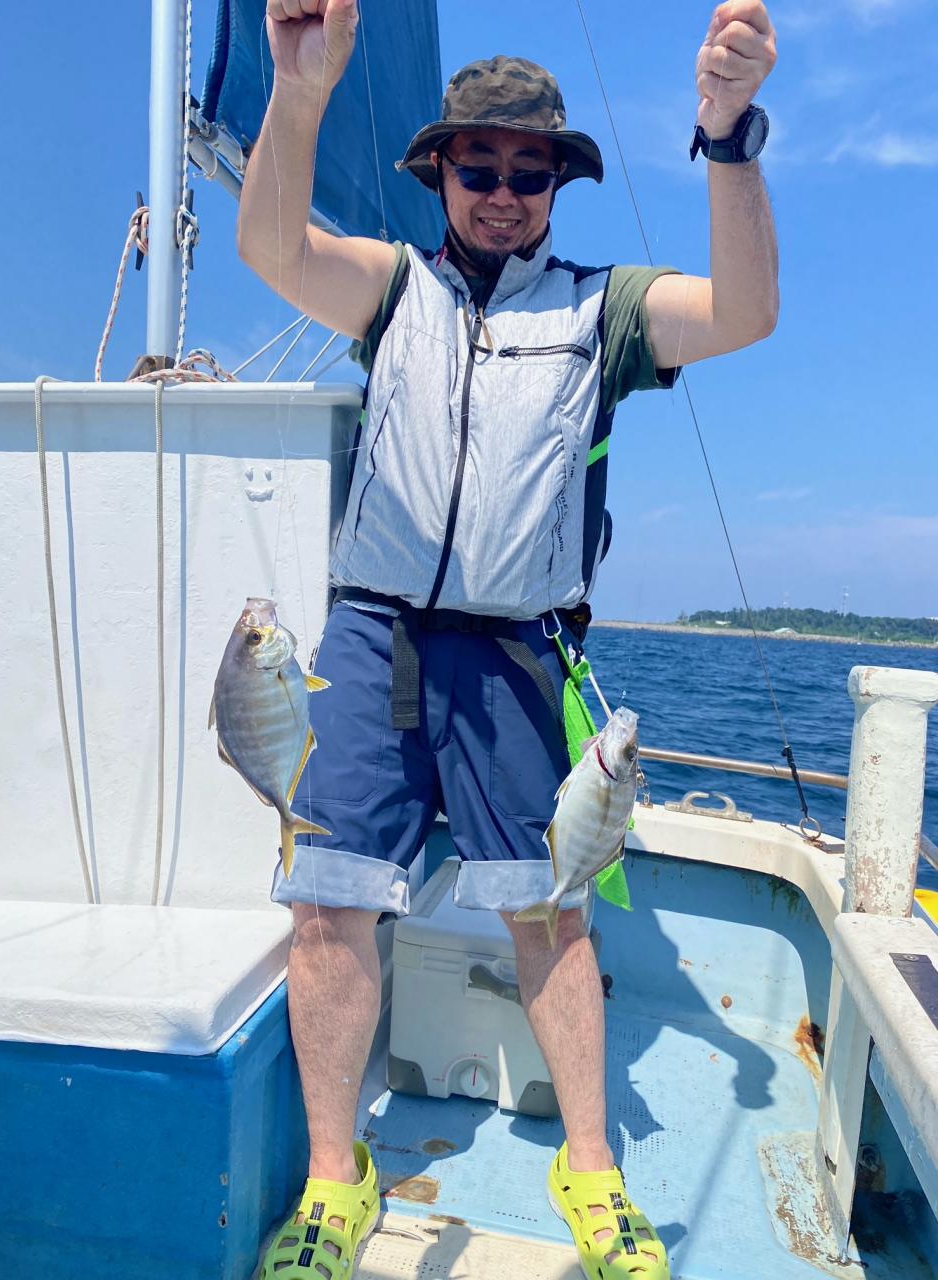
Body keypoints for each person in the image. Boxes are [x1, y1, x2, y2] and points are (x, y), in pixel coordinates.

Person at [238, 2, 777, 1276]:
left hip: (517, 652)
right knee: (328, 907)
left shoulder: (607, 312)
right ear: (440, 173)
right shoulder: (391, 289)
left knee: (551, 911)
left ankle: (590, 1169)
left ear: (556, 187)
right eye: (477, 167)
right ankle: (335, 1178)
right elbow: (271, 246)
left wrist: (727, 135)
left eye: (528, 173)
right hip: (373, 636)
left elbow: (746, 310)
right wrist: (299, 92)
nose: (501, 193)